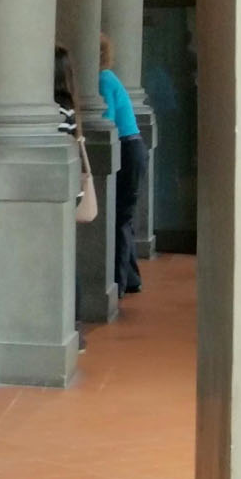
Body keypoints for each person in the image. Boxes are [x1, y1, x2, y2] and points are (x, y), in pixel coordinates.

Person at [99, 34, 145, 296]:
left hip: (126, 148)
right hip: (132, 147)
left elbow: (105, 119)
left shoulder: (103, 80)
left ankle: (118, 281)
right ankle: (131, 277)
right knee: (123, 216)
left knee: (119, 217)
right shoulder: (109, 78)